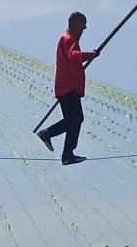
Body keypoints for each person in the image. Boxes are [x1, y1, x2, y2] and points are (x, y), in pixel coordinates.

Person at [36, 11, 100, 165]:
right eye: (82, 24)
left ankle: (67, 155)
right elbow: (73, 57)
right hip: (67, 87)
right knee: (76, 119)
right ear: (74, 23)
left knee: (74, 120)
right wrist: (88, 55)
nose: (84, 28)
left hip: (68, 87)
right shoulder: (68, 39)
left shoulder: (70, 40)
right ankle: (48, 134)